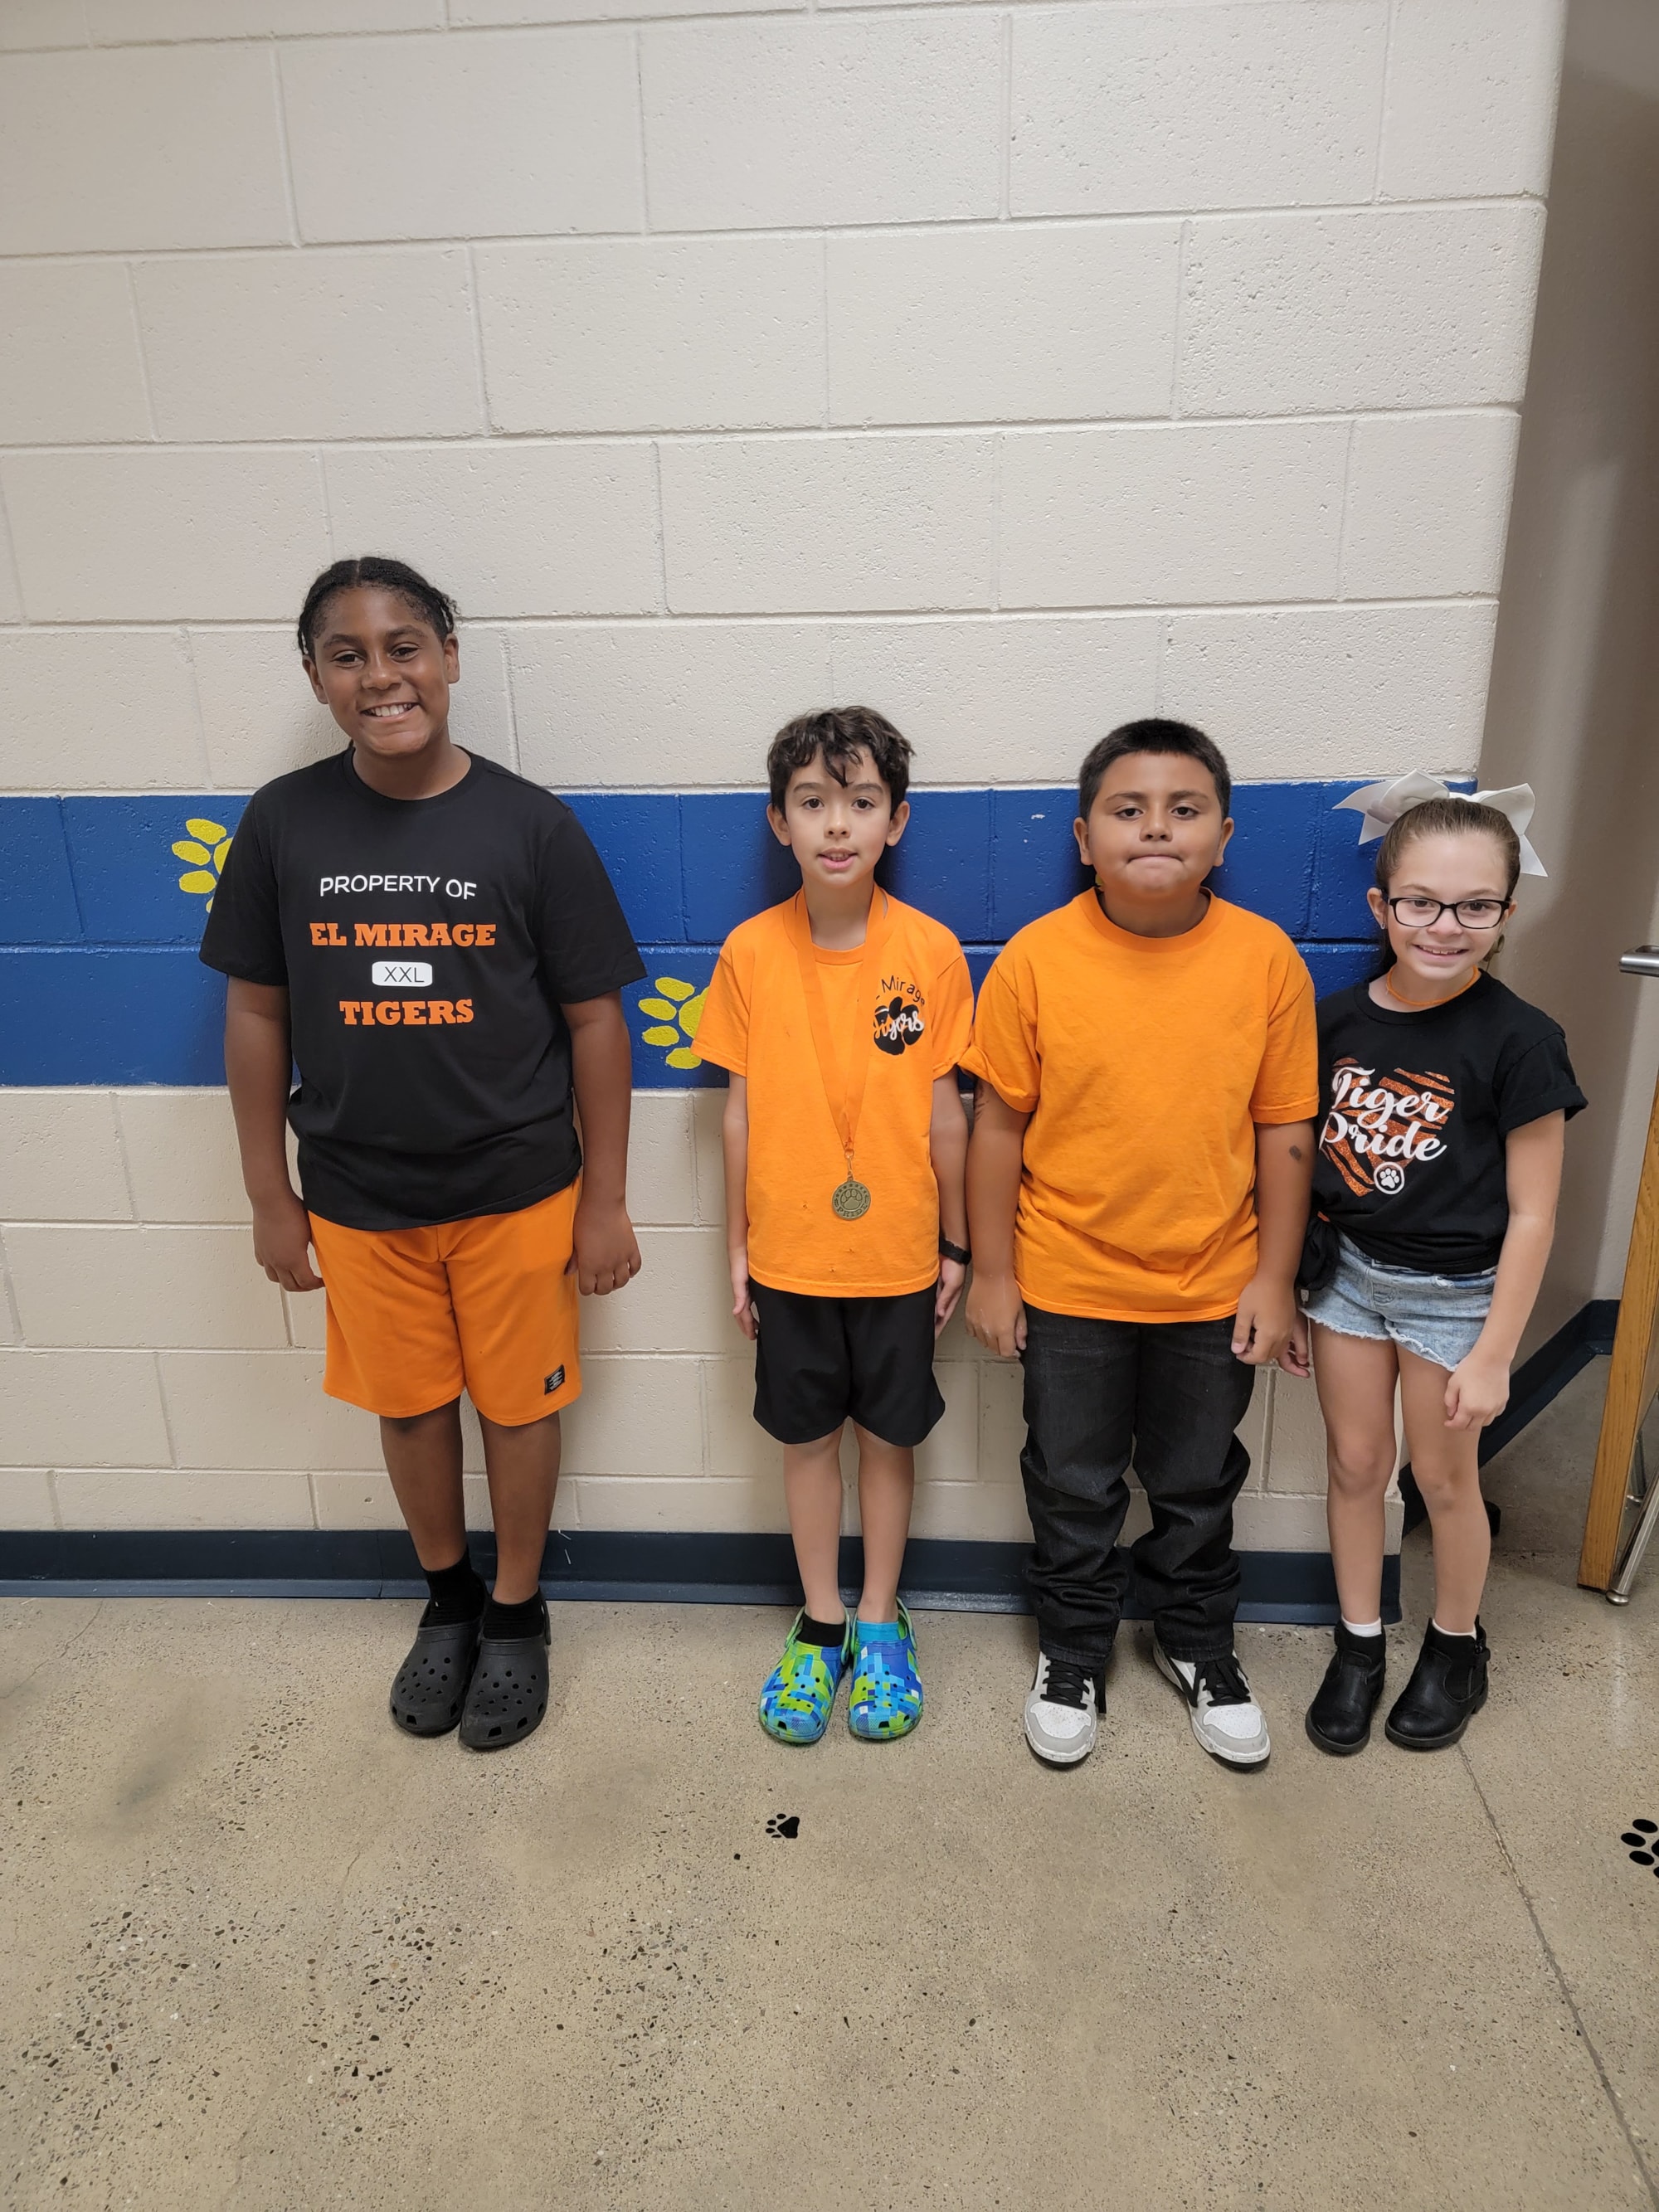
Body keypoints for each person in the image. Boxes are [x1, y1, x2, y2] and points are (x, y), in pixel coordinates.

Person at [200, 556, 645, 1752]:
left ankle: (516, 1609)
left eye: (404, 645)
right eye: (347, 655)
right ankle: (446, 1595)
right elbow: (255, 1012)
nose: (381, 674)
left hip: (516, 1189)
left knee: (517, 1405)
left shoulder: (530, 823)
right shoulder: (284, 820)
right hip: (356, 1192)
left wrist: (605, 1198)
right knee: (407, 1404)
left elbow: (597, 1020)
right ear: (315, 677)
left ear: (450, 655)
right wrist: (268, 1196)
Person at [963, 719, 1317, 1770]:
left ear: (1222, 835)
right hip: (1067, 1282)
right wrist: (991, 1270)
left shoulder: (1264, 960)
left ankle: (1197, 1642)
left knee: (1197, 1479)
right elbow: (996, 1127)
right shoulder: (1035, 960)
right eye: (1126, 810)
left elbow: (1285, 1132)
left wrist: (1274, 1276)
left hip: (1215, 1287)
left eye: (1182, 809)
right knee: (1071, 1481)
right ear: (1082, 836)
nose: (1154, 827)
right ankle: (1072, 1650)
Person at [695, 707, 973, 1745]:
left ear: (895, 820)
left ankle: (879, 1619)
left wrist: (953, 1244)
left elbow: (947, 1111)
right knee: (806, 1440)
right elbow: (738, 1111)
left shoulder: (932, 952)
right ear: (779, 822)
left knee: (888, 1440)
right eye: (812, 802)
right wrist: (737, 1246)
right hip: (791, 1259)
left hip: (899, 1255)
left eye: (860, 803)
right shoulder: (748, 952)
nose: (836, 825)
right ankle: (818, 1623)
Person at [1301, 776, 1584, 1755]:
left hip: (1453, 1300)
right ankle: (1357, 1642)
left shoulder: (1520, 1041)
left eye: (1473, 907)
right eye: (1419, 902)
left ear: (1504, 913)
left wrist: (1495, 1351)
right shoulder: (1332, 1022)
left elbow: (1533, 1213)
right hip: (1344, 1282)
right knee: (1351, 1464)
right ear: (1381, 906)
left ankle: (1454, 1645)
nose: (1442, 926)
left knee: (1441, 1479)